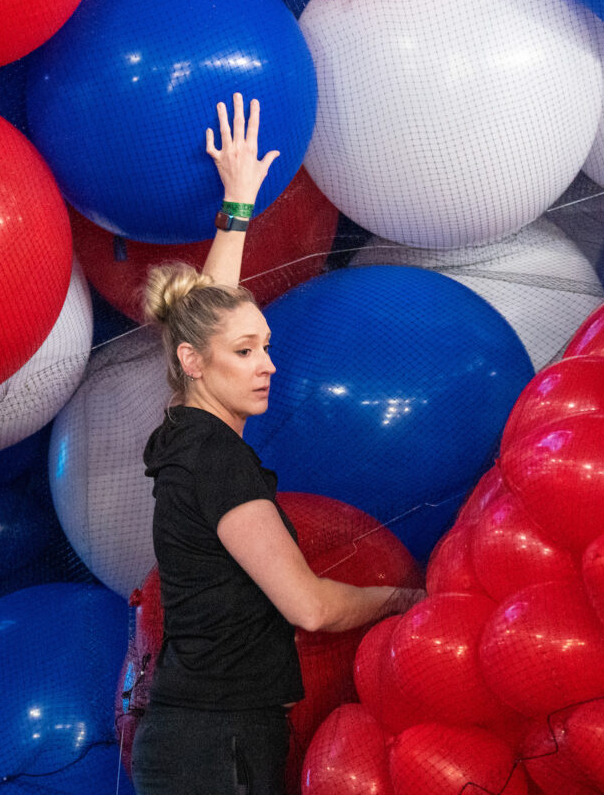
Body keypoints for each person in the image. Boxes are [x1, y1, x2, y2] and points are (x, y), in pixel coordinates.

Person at [129, 94, 424, 795]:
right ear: (199, 365)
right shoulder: (218, 462)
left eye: (267, 346)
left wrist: (238, 208)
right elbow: (311, 608)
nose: (267, 364)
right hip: (212, 749)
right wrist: (402, 598)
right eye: (247, 352)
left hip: (194, 740)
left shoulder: (187, 432)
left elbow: (201, 322)